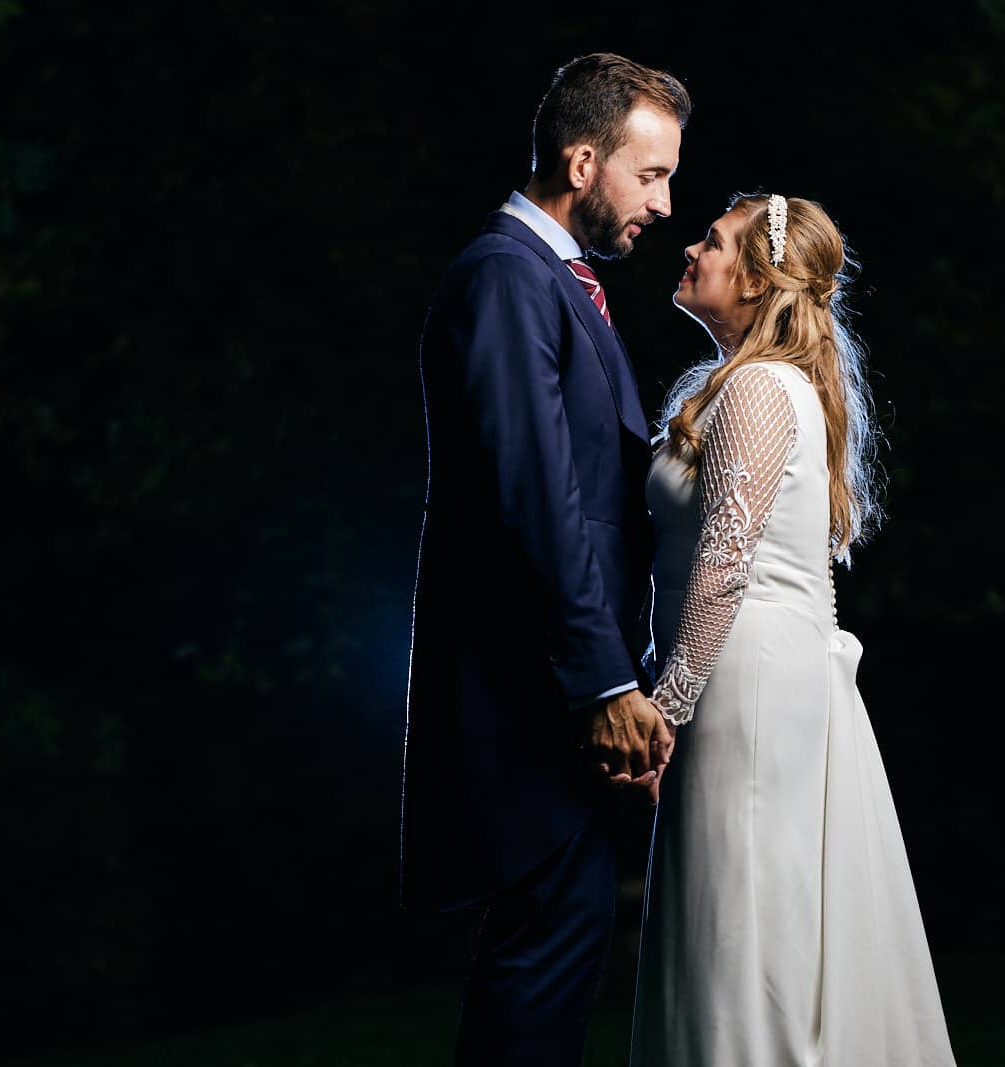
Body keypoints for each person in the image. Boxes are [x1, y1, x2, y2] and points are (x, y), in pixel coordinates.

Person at [399, 53, 689, 1066]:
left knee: (553, 964)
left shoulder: (553, 282)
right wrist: (604, 680)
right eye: (649, 175)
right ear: (581, 158)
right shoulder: (506, 278)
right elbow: (535, 496)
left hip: (551, 701)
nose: (664, 203)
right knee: (537, 969)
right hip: (527, 700)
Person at [628, 193, 957, 1064]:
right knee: (729, 913)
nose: (690, 247)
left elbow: (727, 563)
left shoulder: (763, 389)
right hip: (751, 669)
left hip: (746, 677)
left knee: (742, 922)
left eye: (714, 240)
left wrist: (664, 708)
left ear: (757, 278)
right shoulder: (741, 385)